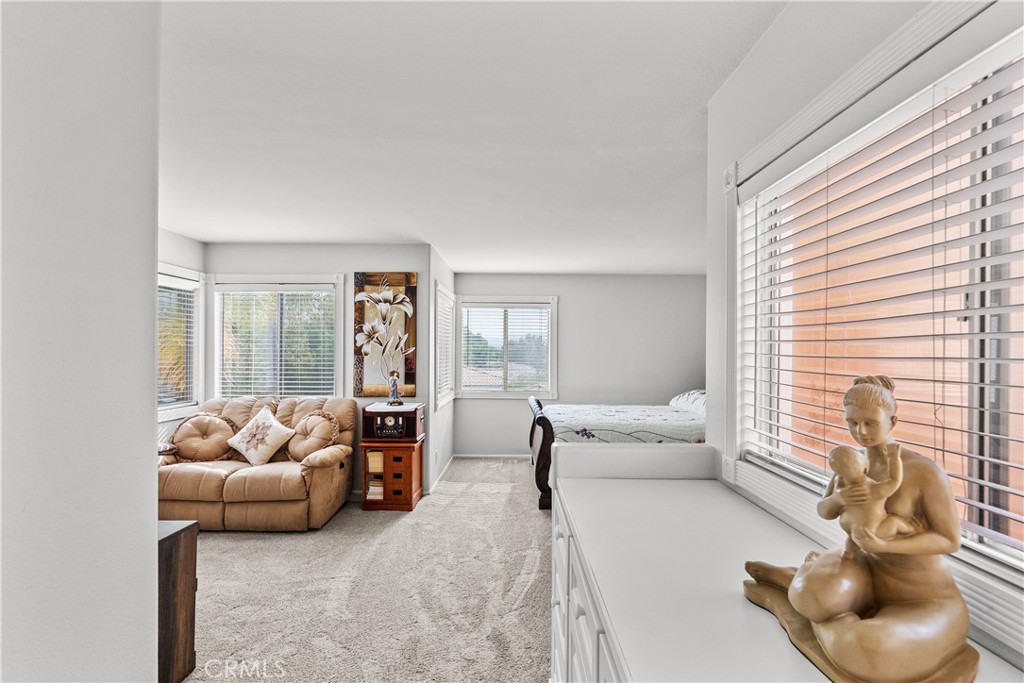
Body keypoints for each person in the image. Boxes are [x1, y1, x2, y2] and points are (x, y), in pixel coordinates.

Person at [745, 376, 971, 682]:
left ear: (892, 420)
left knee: (872, 652)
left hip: (922, 598)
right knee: (817, 600)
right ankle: (805, 589)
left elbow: (949, 539)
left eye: (869, 423)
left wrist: (885, 545)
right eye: (852, 423)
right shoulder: (851, 465)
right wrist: (839, 498)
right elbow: (825, 509)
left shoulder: (924, 472)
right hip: (862, 571)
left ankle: (809, 597)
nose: (859, 432)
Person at [827, 444, 919, 560]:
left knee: (852, 537)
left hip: (850, 529)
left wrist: (836, 496)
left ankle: (849, 552)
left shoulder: (840, 489)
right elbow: (895, 480)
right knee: (894, 521)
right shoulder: (875, 490)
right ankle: (912, 529)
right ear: (866, 467)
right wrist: (893, 457)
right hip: (873, 532)